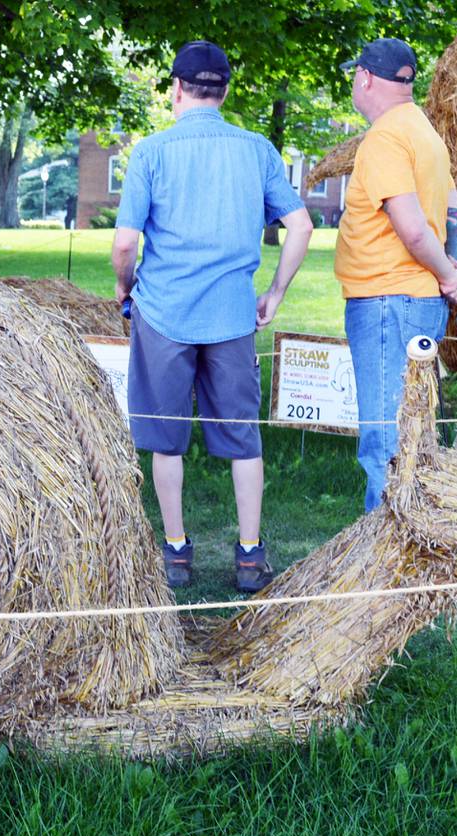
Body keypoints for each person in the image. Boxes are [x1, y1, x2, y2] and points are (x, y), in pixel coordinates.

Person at [112, 40, 314, 592]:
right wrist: (274, 291)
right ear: (223, 91)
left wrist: (124, 287)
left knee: (166, 437)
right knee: (243, 437)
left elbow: (125, 244)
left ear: (175, 89)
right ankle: (250, 555)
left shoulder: (150, 153)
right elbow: (301, 226)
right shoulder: (257, 150)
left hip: (164, 312)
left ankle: (176, 552)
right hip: (231, 316)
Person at [333, 38, 457, 512]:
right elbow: (456, 217)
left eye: (354, 76)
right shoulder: (426, 134)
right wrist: (452, 272)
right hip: (418, 302)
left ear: (365, 78)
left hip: (385, 304)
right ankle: (410, 543)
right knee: (411, 431)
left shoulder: (385, 138)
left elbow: (414, 230)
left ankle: (385, 564)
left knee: (385, 442)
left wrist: (447, 273)